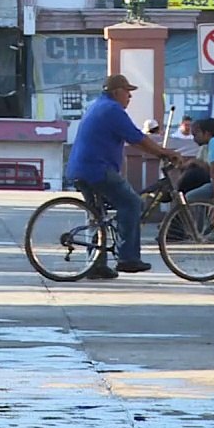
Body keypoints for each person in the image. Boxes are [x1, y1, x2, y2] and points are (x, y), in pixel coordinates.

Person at [67, 74, 181, 277]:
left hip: (81, 168)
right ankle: (128, 258)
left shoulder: (98, 105)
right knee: (131, 203)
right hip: (96, 170)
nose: (130, 96)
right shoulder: (112, 110)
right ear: (116, 92)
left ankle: (96, 265)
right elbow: (137, 138)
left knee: (97, 216)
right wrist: (164, 153)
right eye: (127, 92)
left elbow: (133, 139)